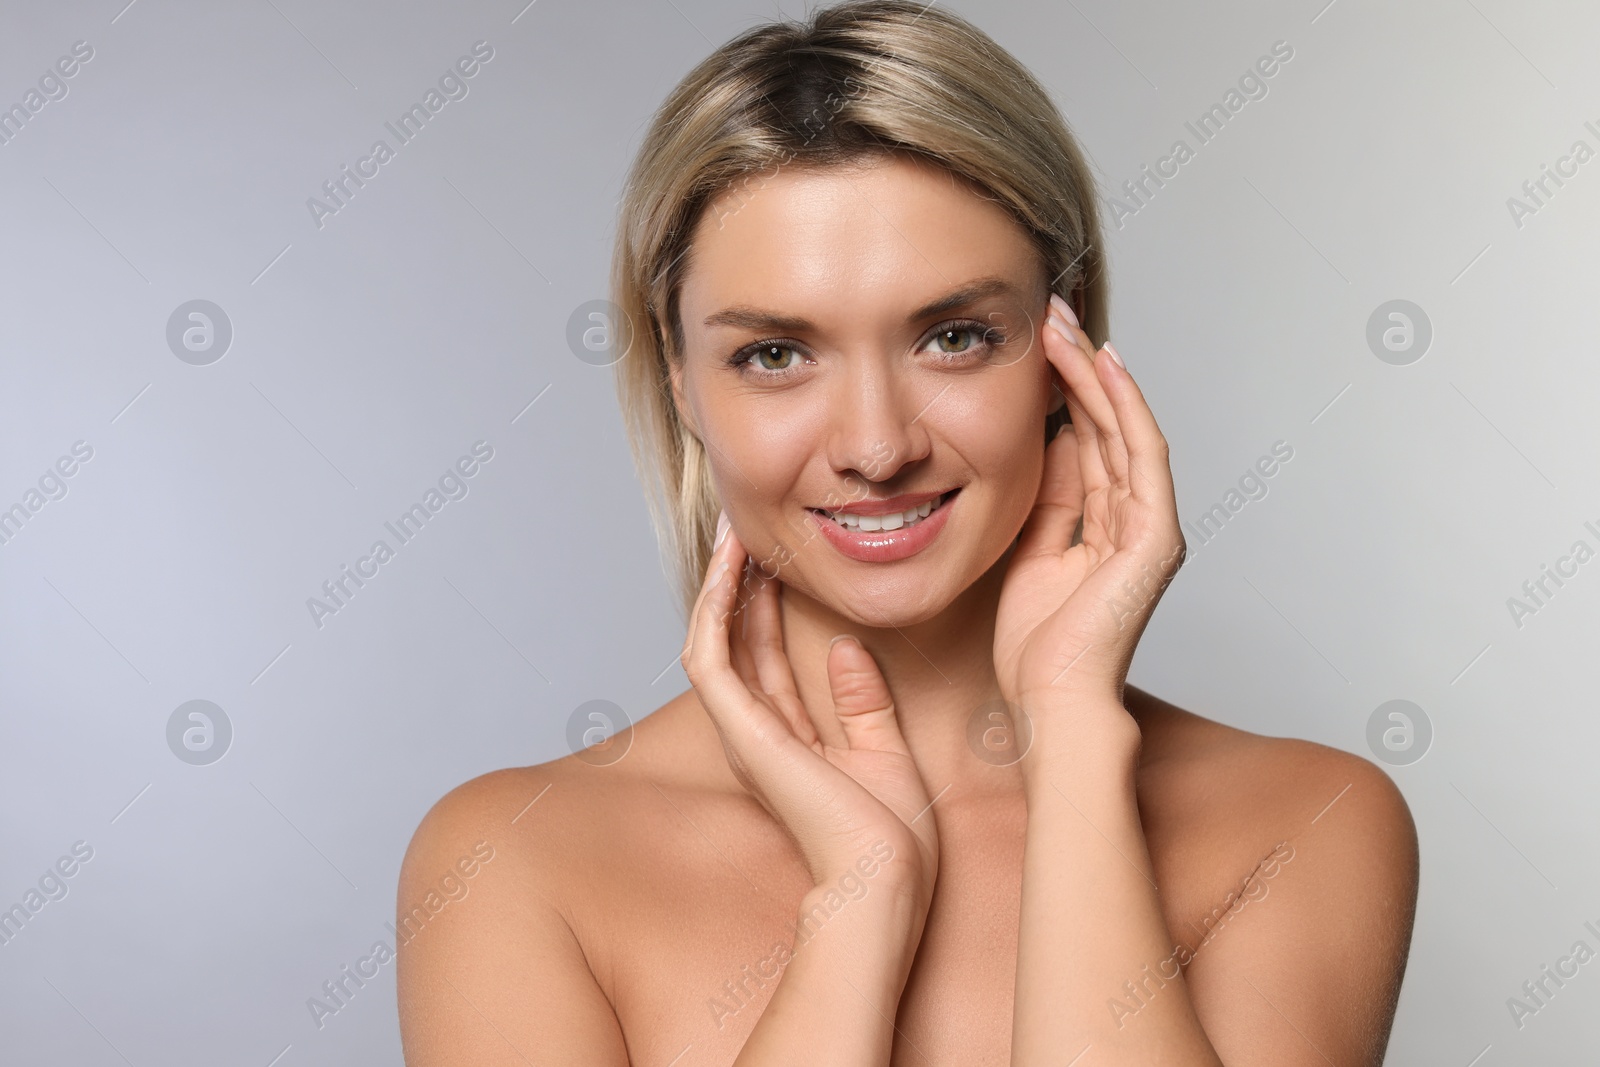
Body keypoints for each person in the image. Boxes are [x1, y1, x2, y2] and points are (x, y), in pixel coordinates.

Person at [396, 2, 1419, 1063]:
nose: (878, 446)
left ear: (1062, 352)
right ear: (681, 382)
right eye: (776, 354)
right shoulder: (514, 860)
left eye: (954, 337)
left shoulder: (1299, 822)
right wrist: (860, 897)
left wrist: (1068, 738)